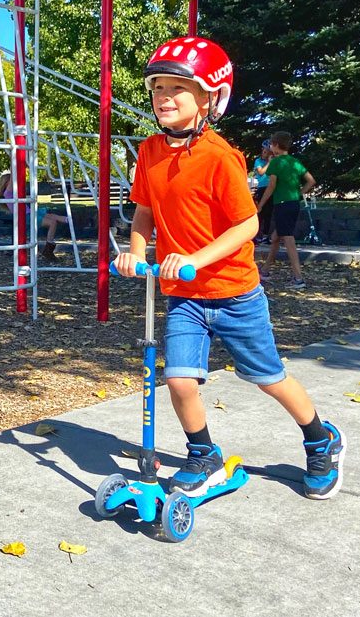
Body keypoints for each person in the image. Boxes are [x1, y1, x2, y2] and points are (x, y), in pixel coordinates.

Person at [113, 36, 345, 501]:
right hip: (185, 295)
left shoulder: (221, 157)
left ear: (209, 98)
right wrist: (135, 252)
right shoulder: (151, 152)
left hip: (235, 292)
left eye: (178, 87)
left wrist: (195, 259)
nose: (164, 97)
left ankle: (322, 440)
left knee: (269, 379)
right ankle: (204, 454)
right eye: (158, 87)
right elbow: (143, 211)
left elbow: (248, 224)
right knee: (178, 379)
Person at [254, 132, 316, 288]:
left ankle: (298, 278)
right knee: (276, 237)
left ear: (275, 145)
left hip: (282, 203)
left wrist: (260, 204)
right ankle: (265, 270)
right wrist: (299, 193)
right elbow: (311, 181)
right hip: (293, 204)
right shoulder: (295, 162)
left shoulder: (276, 162)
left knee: (288, 239)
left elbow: (271, 186)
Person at [0, 171, 69, 261]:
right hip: (26, 217)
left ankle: (70, 220)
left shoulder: (12, 193)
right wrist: (14, 158)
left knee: (52, 216)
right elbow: (14, 173)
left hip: (30, 213)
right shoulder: (8, 193)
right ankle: (48, 249)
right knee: (52, 222)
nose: (15, 183)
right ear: (6, 183)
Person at [252, 140, 274, 244]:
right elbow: (260, 172)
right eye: (264, 151)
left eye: (267, 152)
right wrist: (269, 162)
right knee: (259, 212)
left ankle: (265, 235)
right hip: (262, 188)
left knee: (268, 213)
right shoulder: (258, 161)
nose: (265, 154)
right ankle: (256, 235)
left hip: (271, 187)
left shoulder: (272, 160)